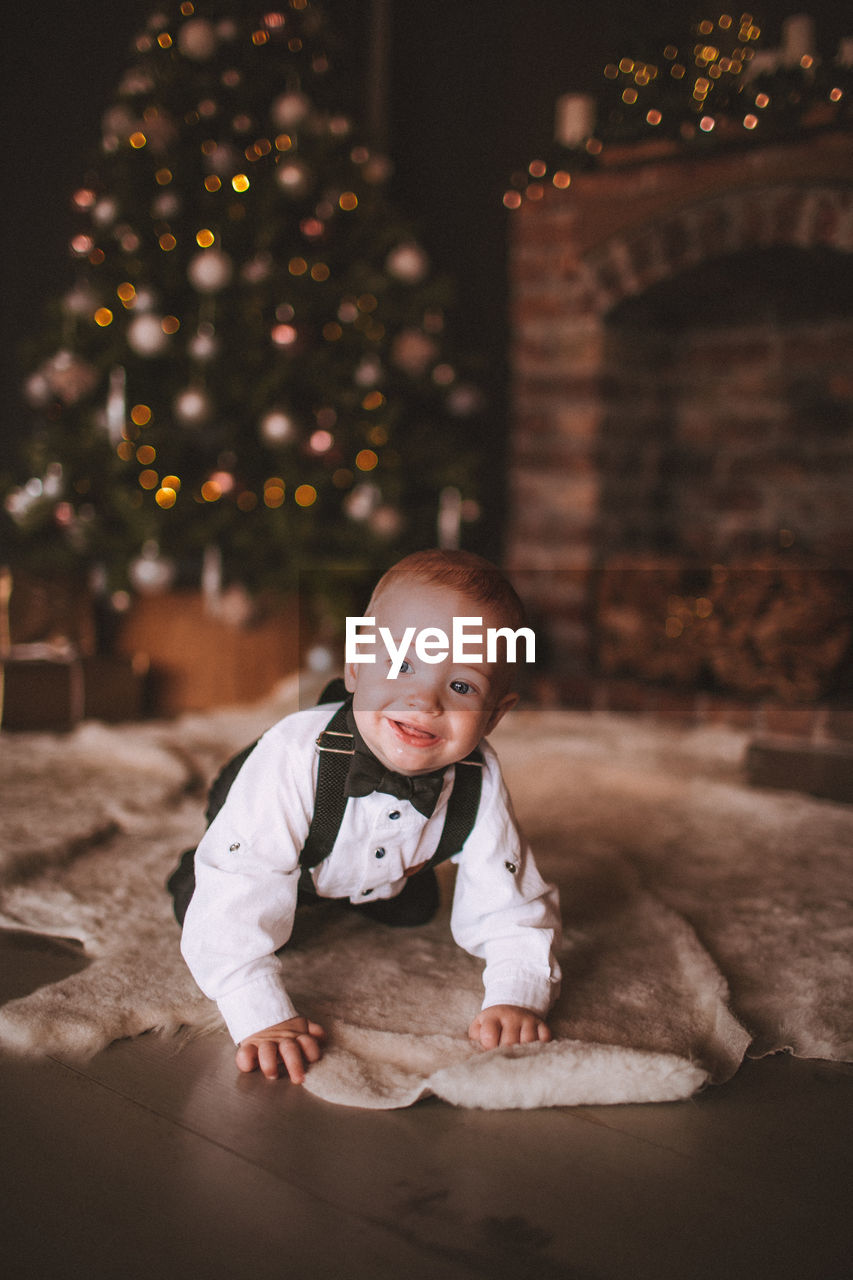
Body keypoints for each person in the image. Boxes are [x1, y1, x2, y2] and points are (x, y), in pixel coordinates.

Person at [176, 549, 561, 1084]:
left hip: (390, 868)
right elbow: (243, 881)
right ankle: (196, 872)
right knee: (219, 901)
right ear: (356, 665)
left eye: (462, 686)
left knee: (414, 908)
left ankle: (376, 888)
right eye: (402, 664)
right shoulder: (296, 755)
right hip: (272, 842)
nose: (424, 702)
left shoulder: (480, 778)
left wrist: (517, 993)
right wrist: (257, 1012)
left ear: (495, 714)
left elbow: (510, 894)